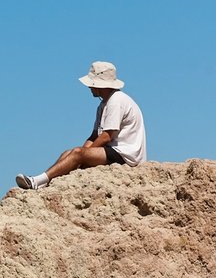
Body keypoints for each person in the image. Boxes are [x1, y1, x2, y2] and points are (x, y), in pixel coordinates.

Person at [16, 61, 145, 190]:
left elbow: (106, 136)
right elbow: (94, 136)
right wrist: (81, 154)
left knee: (78, 153)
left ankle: (37, 181)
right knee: (69, 153)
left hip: (125, 155)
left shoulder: (116, 101)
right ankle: (44, 181)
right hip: (113, 151)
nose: (89, 87)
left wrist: (84, 155)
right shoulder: (103, 105)